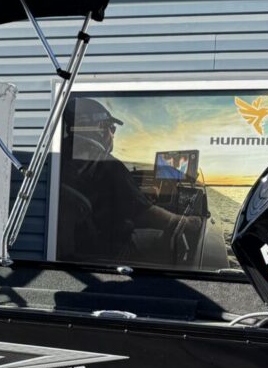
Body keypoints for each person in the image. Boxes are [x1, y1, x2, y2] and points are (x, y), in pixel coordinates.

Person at [59, 97, 193, 266]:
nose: (113, 134)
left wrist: (137, 194)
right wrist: (185, 222)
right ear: (100, 128)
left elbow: (106, 195)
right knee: (162, 241)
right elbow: (146, 216)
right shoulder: (109, 166)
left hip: (76, 250)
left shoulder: (59, 159)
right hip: (110, 253)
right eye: (112, 128)